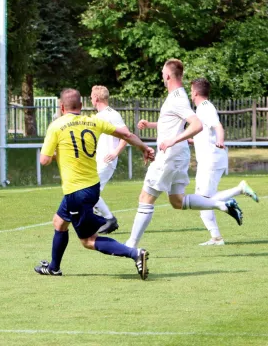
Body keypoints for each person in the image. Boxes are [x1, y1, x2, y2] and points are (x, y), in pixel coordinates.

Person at [34, 88, 155, 280]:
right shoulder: (94, 121)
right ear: (81, 106)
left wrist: (58, 151)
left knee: (88, 240)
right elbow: (126, 134)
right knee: (59, 222)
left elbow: (44, 160)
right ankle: (54, 267)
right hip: (91, 187)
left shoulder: (56, 126)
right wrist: (144, 148)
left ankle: (134, 253)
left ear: (61, 107)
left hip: (76, 191)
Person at [124, 59, 243, 249]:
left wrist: (173, 140)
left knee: (145, 198)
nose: (162, 76)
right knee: (177, 201)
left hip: (170, 156)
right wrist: (152, 126)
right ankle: (223, 204)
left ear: (168, 75)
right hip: (179, 155)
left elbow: (196, 125)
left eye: (163, 72)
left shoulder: (177, 98)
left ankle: (130, 246)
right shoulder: (178, 97)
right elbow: (172, 122)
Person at [189, 78, 258, 246]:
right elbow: (204, 134)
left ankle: (239, 189)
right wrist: (191, 141)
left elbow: (218, 127)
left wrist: (220, 141)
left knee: (202, 201)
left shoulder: (205, 107)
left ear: (196, 92)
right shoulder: (201, 109)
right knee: (203, 201)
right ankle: (216, 238)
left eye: (191, 90)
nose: (190, 94)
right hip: (209, 159)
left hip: (211, 159)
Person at [90, 85, 127, 234]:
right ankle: (102, 220)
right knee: (90, 193)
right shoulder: (99, 116)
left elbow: (126, 135)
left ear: (97, 98)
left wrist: (115, 152)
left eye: (92, 97)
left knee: (90, 192)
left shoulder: (112, 114)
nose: (91, 99)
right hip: (99, 160)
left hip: (107, 161)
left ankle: (108, 219)